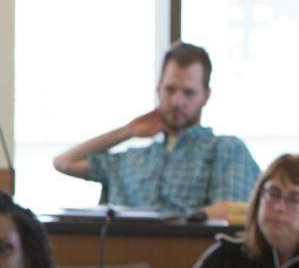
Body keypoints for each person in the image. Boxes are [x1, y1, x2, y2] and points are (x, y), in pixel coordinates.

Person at [52, 41, 259, 217]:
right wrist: (128, 131)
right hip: (125, 259)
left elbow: (233, 213)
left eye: (188, 93)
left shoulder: (225, 149)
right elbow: (63, 162)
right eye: (170, 90)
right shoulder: (132, 160)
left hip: (189, 256)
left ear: (205, 96)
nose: (177, 101)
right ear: (158, 89)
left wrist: (173, 221)